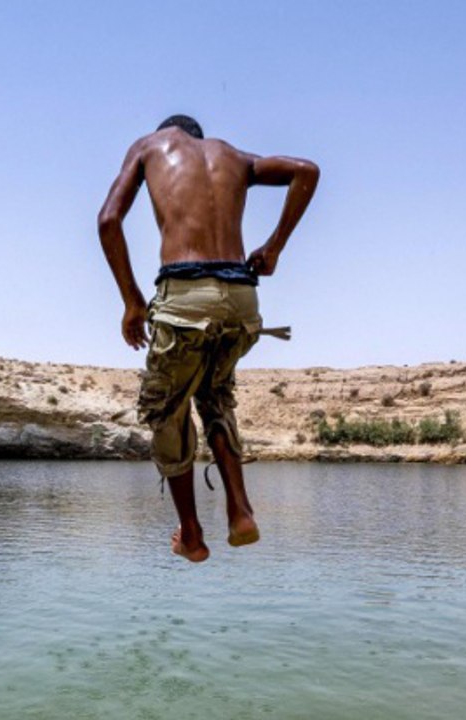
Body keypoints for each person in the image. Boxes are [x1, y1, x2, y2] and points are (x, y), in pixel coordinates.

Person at [97, 114, 318, 562]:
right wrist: (273, 246)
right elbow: (306, 171)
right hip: (242, 300)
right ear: (200, 138)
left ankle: (193, 534)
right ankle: (240, 509)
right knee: (215, 396)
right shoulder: (234, 156)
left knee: (166, 410)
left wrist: (132, 301)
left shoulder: (149, 147)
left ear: (168, 134)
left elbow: (107, 221)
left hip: (184, 295)